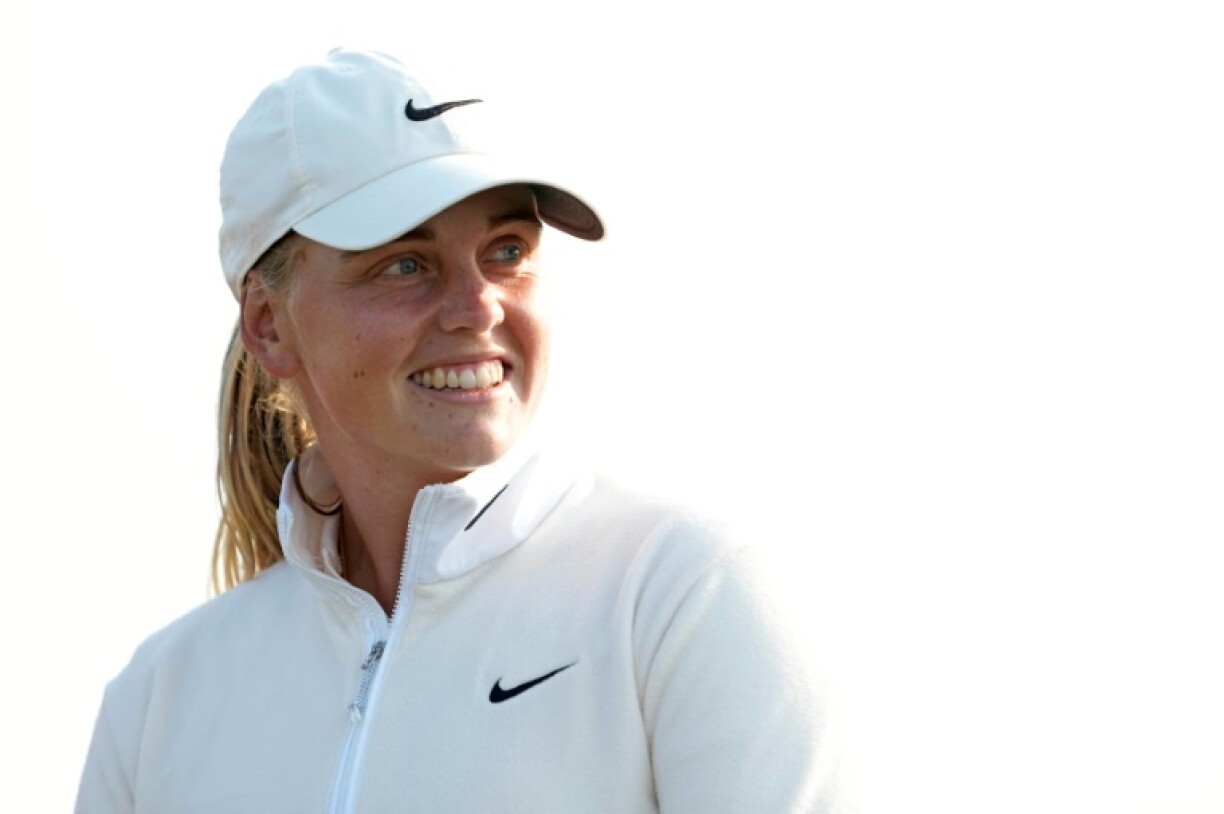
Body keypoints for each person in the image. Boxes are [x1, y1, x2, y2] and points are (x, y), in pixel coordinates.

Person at [76, 49, 851, 812]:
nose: (479, 306)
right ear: (270, 324)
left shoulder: (685, 598)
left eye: (506, 252)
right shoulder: (157, 706)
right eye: (405, 264)